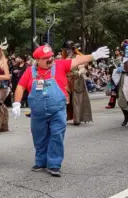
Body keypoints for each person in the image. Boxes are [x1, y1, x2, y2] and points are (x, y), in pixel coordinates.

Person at [12, 45, 109, 177]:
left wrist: (94, 56)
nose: (50, 60)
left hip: (57, 110)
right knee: (39, 138)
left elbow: (78, 61)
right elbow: (20, 86)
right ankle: (41, 161)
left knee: (57, 135)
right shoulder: (30, 71)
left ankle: (54, 164)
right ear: (38, 60)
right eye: (46, 58)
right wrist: (17, 103)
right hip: (37, 113)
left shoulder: (60, 65)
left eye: (51, 57)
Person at [62, 41, 92, 125]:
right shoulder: (64, 58)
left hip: (77, 80)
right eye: (66, 49)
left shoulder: (77, 57)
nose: (68, 51)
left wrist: (80, 71)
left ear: (73, 49)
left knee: (76, 100)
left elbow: (82, 66)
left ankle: (77, 118)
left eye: (69, 49)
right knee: (65, 99)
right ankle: (65, 117)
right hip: (67, 80)